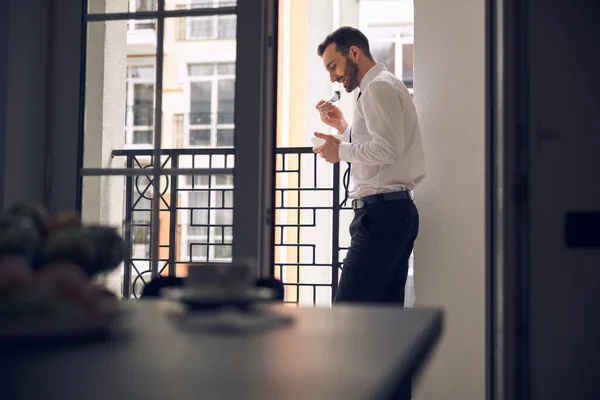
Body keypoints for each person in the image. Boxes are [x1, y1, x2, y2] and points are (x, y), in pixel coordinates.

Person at [314, 26, 425, 306]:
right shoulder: (382, 85)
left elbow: (387, 149)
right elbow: (384, 143)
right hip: (390, 213)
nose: (334, 78)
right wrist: (343, 127)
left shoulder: (377, 87)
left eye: (333, 66)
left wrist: (339, 150)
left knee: (348, 315)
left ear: (354, 53)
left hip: (382, 216)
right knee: (381, 320)